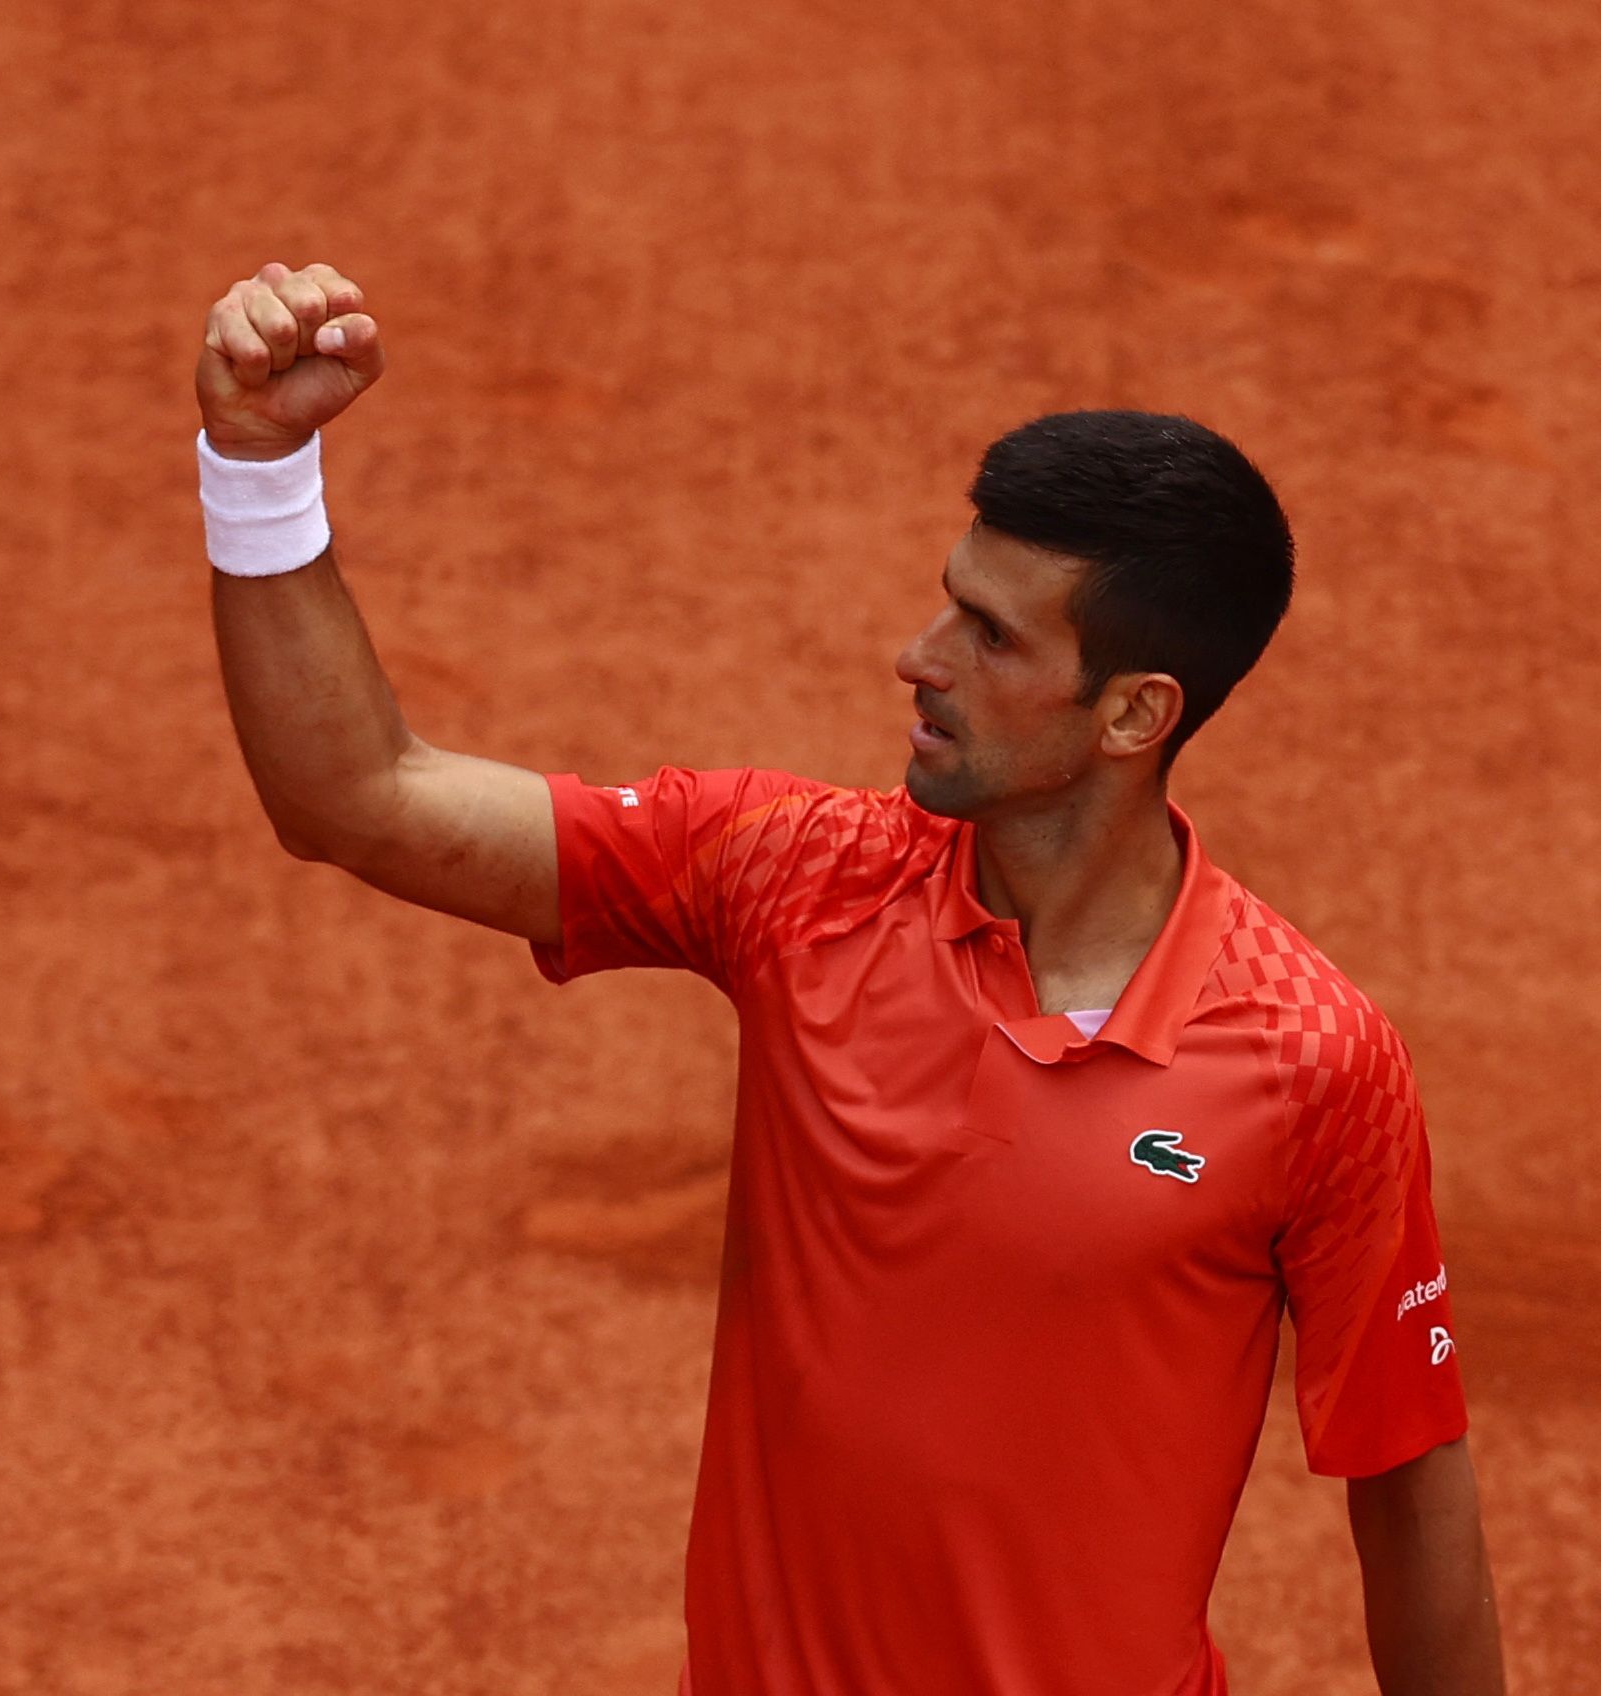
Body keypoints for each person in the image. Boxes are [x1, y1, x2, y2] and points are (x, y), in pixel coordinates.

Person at [193, 260, 1507, 1696]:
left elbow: (1410, 1484)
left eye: (991, 636)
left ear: (1136, 711)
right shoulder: (794, 878)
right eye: (952, 603)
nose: (919, 656)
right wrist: (261, 470)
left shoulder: (1313, 1062)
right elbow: (361, 798)